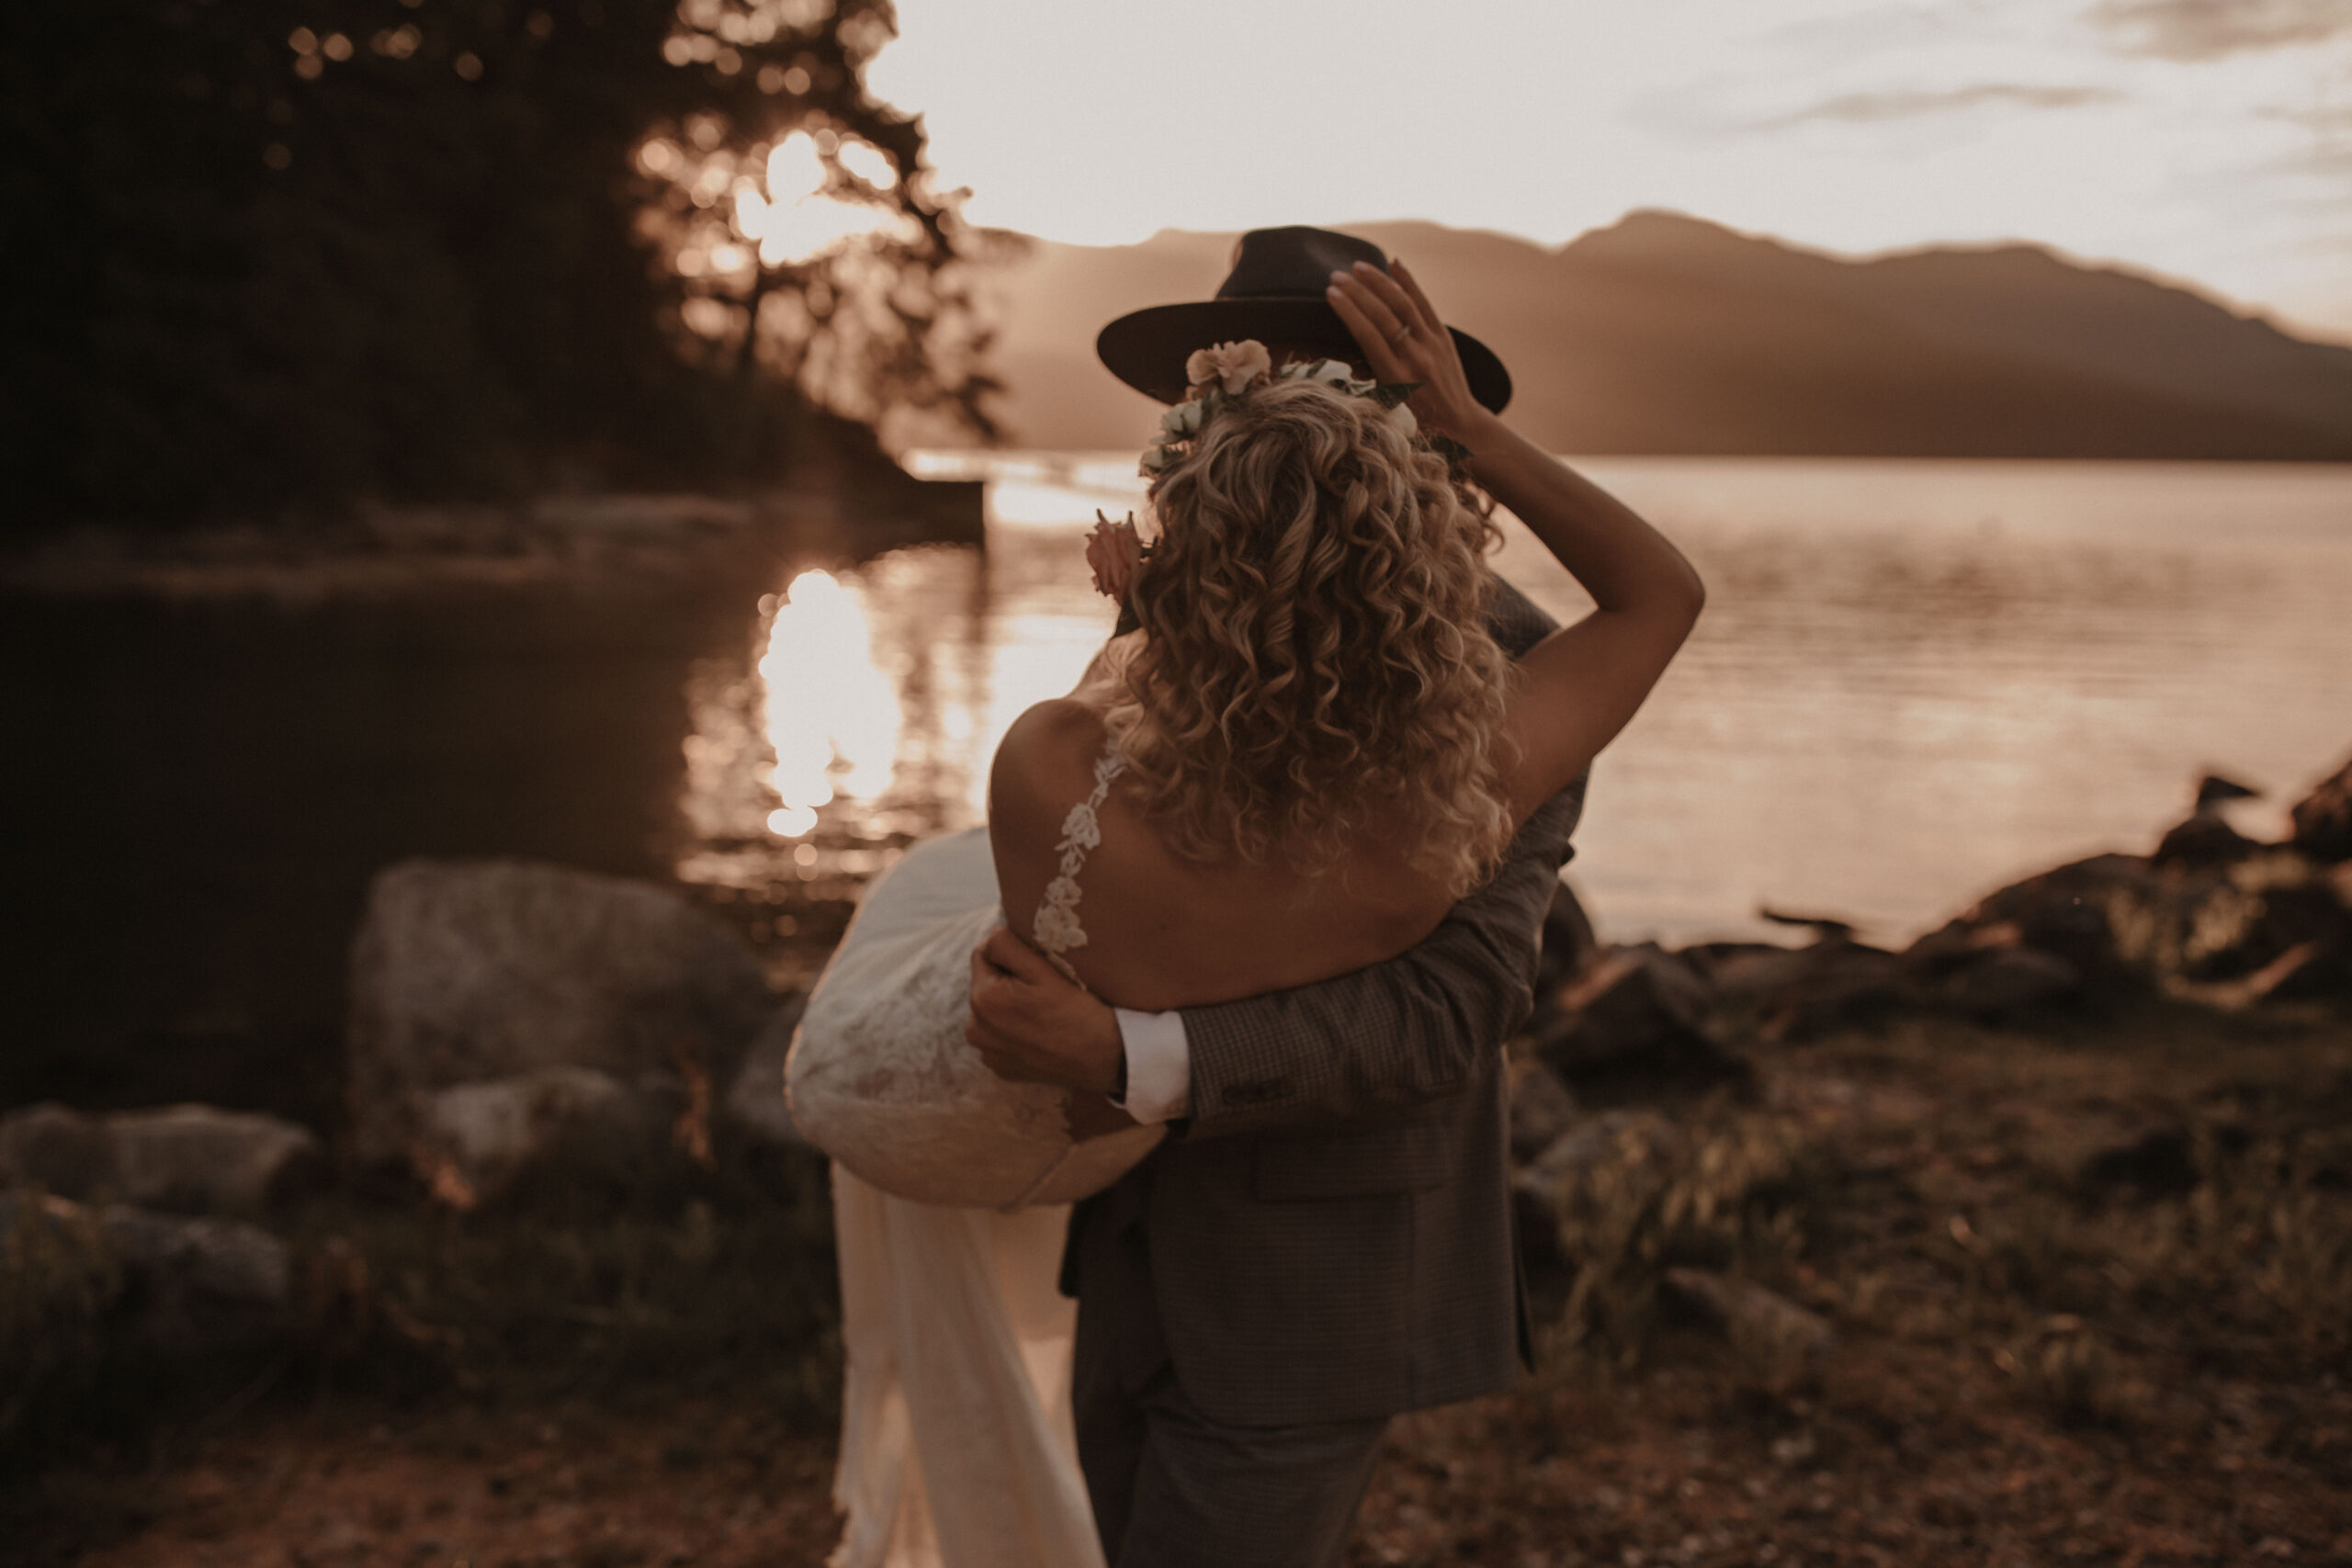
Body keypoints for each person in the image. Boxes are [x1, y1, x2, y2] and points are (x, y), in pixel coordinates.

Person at [787, 225, 1704, 1568]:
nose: (1226, 425)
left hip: (1314, 1284)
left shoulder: (1504, 666)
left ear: (1408, 417)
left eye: (1280, 390)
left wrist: (1127, 1056)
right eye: (1218, 397)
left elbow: (1447, 1015)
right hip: (1138, 1237)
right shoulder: (1178, 632)